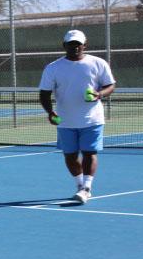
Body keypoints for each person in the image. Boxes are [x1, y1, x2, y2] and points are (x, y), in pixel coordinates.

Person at [39, 29, 115, 204]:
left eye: (78, 44)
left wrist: (99, 94)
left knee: (89, 153)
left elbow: (110, 85)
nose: (75, 47)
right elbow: (44, 93)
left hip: (92, 119)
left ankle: (86, 188)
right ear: (64, 46)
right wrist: (50, 112)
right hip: (65, 121)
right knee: (70, 156)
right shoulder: (53, 68)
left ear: (84, 45)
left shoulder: (98, 63)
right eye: (71, 44)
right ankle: (79, 185)